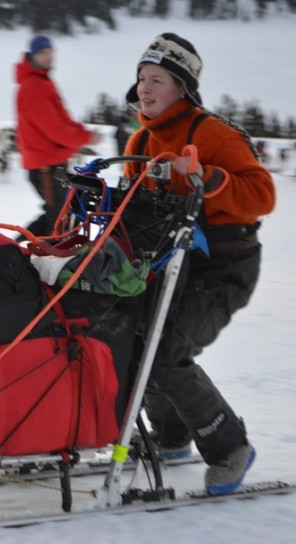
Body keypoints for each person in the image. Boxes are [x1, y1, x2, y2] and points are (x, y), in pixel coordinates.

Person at [122, 33, 276, 495]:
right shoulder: (140, 140)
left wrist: (210, 179)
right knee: (135, 337)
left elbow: (262, 195)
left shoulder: (212, 134)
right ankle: (171, 436)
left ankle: (230, 448)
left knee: (167, 349)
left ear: (182, 88)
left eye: (158, 80)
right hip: (172, 260)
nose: (146, 89)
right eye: (142, 79)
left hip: (226, 266)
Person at [15, 35, 101, 237]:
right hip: (45, 166)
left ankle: (15, 248)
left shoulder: (43, 81)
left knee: (57, 214)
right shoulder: (33, 86)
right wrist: (85, 138)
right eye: (43, 53)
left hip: (52, 163)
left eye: (50, 53)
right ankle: (31, 255)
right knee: (58, 219)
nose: (48, 57)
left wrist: (82, 134)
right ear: (32, 56)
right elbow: (54, 129)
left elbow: (63, 120)